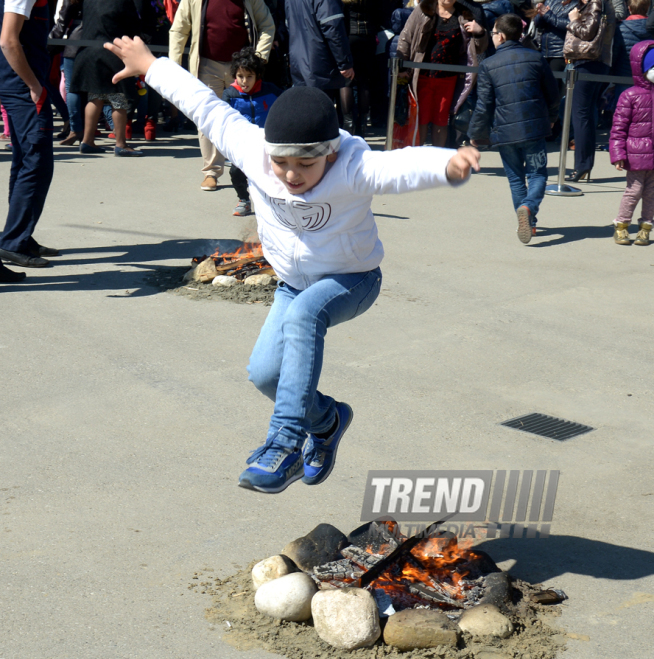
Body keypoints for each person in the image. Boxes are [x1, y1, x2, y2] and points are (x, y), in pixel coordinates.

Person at [104, 35, 481, 493]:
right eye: (282, 163)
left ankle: (284, 443)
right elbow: (205, 106)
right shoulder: (254, 151)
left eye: (305, 164)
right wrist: (150, 65)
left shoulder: (353, 167)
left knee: (306, 317)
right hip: (292, 284)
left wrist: (448, 164)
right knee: (264, 375)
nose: (290, 175)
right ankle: (327, 422)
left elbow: (399, 166)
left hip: (352, 278)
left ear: (330, 153)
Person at [469, 13, 559, 243]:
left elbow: (484, 104)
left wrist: (476, 134)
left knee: (516, 179)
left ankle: (527, 218)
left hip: (505, 131)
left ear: (500, 35)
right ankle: (529, 210)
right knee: (537, 174)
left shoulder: (489, 64)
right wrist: (551, 118)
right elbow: (552, 93)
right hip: (535, 128)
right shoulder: (536, 58)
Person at [169, 0, 275, 191]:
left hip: (243, 71)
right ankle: (211, 171)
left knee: (248, 117)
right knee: (208, 117)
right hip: (207, 65)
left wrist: (258, 59)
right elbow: (179, 29)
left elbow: (267, 24)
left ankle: (250, 168)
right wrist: (174, 65)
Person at [0, 0, 58, 282]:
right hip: (23, 86)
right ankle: (14, 241)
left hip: (18, 83)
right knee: (36, 163)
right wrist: (34, 85)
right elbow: (8, 41)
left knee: (26, 160)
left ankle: (19, 234)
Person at [396, 0, 488, 147]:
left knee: (441, 121)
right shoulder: (423, 9)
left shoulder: (465, 14)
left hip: (449, 78)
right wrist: (401, 66)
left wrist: (480, 32)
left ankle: (437, 163)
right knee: (422, 120)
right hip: (422, 75)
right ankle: (418, 162)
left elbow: (479, 49)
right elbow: (406, 37)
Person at [71, 0, 156, 157]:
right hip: (113, 52)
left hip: (89, 51)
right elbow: (133, 26)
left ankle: (87, 141)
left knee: (95, 97)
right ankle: (121, 144)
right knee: (119, 98)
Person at [222, 46, 281, 216]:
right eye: (240, 76)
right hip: (243, 143)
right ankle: (244, 200)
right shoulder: (230, 94)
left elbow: (286, 104)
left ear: (258, 76)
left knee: (271, 173)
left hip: (267, 142)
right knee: (236, 172)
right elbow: (223, 119)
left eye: (249, 76)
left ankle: (273, 203)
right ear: (235, 76)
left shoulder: (270, 90)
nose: (244, 81)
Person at [563, 0, 616, 183]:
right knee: (585, 114)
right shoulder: (597, 3)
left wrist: (574, 20)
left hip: (589, 61)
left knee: (581, 114)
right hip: (593, 62)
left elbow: (587, 32)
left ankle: (582, 165)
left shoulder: (596, 3)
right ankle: (584, 165)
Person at [609, 40, 654, 246]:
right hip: (636, 156)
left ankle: (646, 227)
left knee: (651, 194)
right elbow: (618, 128)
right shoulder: (630, 96)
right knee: (634, 191)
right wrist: (618, 155)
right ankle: (622, 225)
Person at [284, 0, 355, 90]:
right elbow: (333, 29)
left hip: (298, 63)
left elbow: (289, 25)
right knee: (321, 101)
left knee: (306, 100)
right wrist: (344, 63)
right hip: (321, 65)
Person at [340, 0, 382, 137]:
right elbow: (378, 17)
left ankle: (349, 125)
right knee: (364, 83)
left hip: (350, 38)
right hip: (368, 38)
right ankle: (362, 126)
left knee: (347, 82)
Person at [49, 0, 83, 146]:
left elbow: (62, 22)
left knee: (72, 88)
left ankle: (75, 129)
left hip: (76, 41)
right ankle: (88, 133)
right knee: (94, 90)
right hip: (100, 40)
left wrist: (50, 44)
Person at [612, 0, 649, 101]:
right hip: (647, 78)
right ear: (647, 8)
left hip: (624, 76)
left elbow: (615, 54)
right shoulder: (651, 30)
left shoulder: (621, 28)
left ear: (629, 8)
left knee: (622, 112)